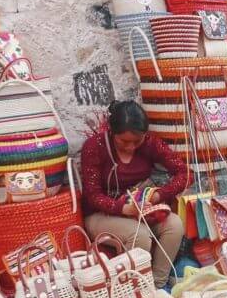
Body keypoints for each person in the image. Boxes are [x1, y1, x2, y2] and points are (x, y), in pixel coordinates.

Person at [80, 101, 187, 288]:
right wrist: (123, 208)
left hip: (140, 209)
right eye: (124, 142)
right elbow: (92, 195)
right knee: (140, 235)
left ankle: (156, 285)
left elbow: (184, 173)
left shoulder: (150, 143)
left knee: (175, 225)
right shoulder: (95, 147)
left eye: (136, 141)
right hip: (101, 214)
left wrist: (157, 196)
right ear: (112, 132)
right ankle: (134, 288)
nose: (131, 147)